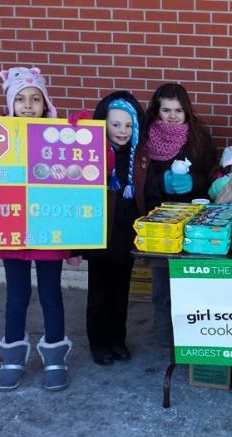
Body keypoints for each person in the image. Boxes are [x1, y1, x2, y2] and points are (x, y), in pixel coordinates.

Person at [0, 67, 81, 391]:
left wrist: (81, 135)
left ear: (46, 104)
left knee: (50, 294)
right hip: (12, 228)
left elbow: (79, 174)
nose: (28, 105)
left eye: (35, 99)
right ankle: (13, 356)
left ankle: (55, 356)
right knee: (16, 295)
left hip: (49, 227)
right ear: (10, 104)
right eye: (20, 99)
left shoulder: (58, 134)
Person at [86, 91, 162, 365]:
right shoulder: (89, 155)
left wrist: (151, 231)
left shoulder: (140, 160)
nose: (122, 131)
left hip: (126, 238)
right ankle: (99, 343)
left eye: (128, 125)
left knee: (121, 294)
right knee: (98, 294)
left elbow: (151, 196)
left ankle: (118, 339)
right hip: (98, 238)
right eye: (116, 124)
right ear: (104, 123)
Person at [142, 83, 219, 346]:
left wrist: (194, 183)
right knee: (162, 285)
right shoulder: (144, 137)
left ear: (187, 111)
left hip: (193, 221)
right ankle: (164, 337)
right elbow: (138, 177)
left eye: (178, 110)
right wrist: (159, 182)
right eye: (166, 110)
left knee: (191, 282)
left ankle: (192, 337)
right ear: (156, 111)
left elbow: (212, 177)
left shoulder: (199, 138)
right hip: (159, 222)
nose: (173, 116)